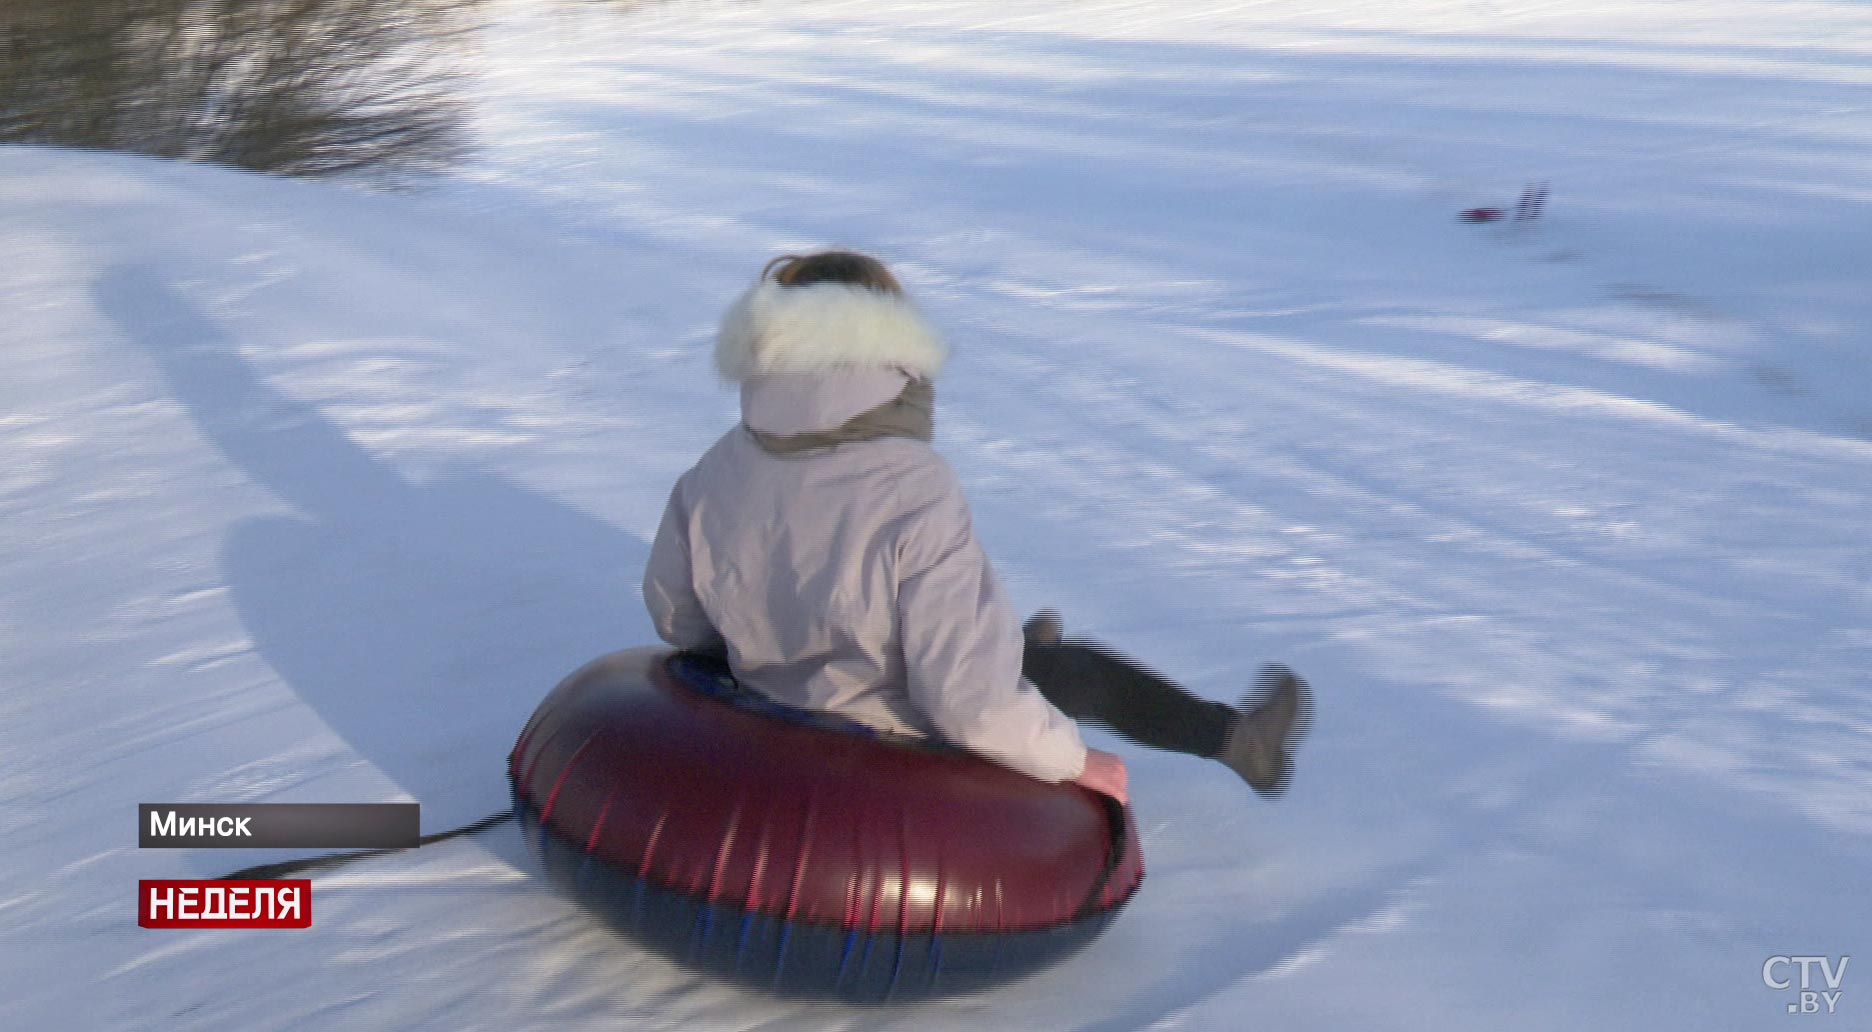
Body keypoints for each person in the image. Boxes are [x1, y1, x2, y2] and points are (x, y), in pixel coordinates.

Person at [643, 250, 1310, 803]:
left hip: (774, 714)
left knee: (1001, 650)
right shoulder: (910, 486)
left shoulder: (713, 472)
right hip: (890, 742)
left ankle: (1007, 644)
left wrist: (774, 653)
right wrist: (1075, 763)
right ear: (894, 354)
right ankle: (1241, 741)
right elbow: (968, 704)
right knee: (1068, 672)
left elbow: (678, 619)